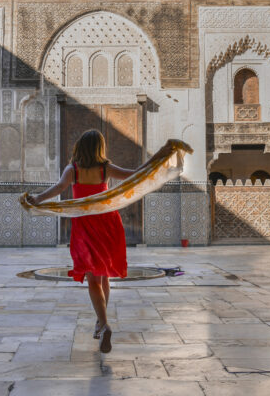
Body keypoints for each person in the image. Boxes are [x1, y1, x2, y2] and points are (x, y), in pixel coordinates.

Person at [23, 129, 171, 353]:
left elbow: (59, 189)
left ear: (79, 147)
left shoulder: (72, 170)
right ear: (99, 148)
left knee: (93, 278)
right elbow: (136, 174)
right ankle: (100, 323)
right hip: (109, 225)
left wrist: (37, 199)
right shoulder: (106, 168)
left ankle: (103, 324)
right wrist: (159, 157)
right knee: (103, 277)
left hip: (85, 226)